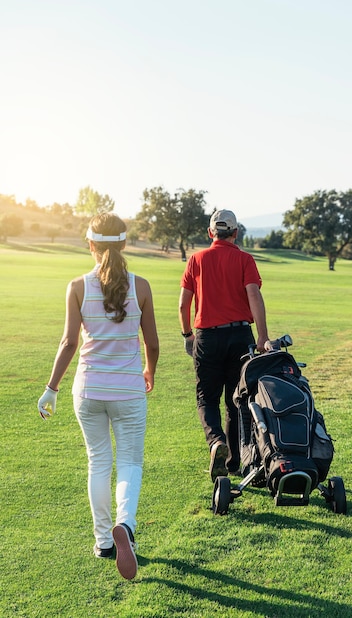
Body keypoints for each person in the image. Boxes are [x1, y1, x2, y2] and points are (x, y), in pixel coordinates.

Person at [37, 212, 159, 580]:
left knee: (98, 462)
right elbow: (151, 342)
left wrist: (51, 388)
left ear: (90, 244)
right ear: (124, 244)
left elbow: (69, 342)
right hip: (128, 392)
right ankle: (127, 525)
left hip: (87, 391)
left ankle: (104, 541)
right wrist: (149, 369)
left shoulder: (77, 286)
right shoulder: (142, 287)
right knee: (130, 462)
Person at [178, 209, 269, 482]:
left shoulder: (196, 259)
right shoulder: (245, 259)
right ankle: (233, 461)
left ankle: (216, 442)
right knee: (236, 400)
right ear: (235, 233)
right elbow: (254, 295)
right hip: (241, 336)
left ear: (210, 233)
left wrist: (187, 336)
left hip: (206, 336)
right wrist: (262, 337)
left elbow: (184, 303)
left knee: (207, 398)